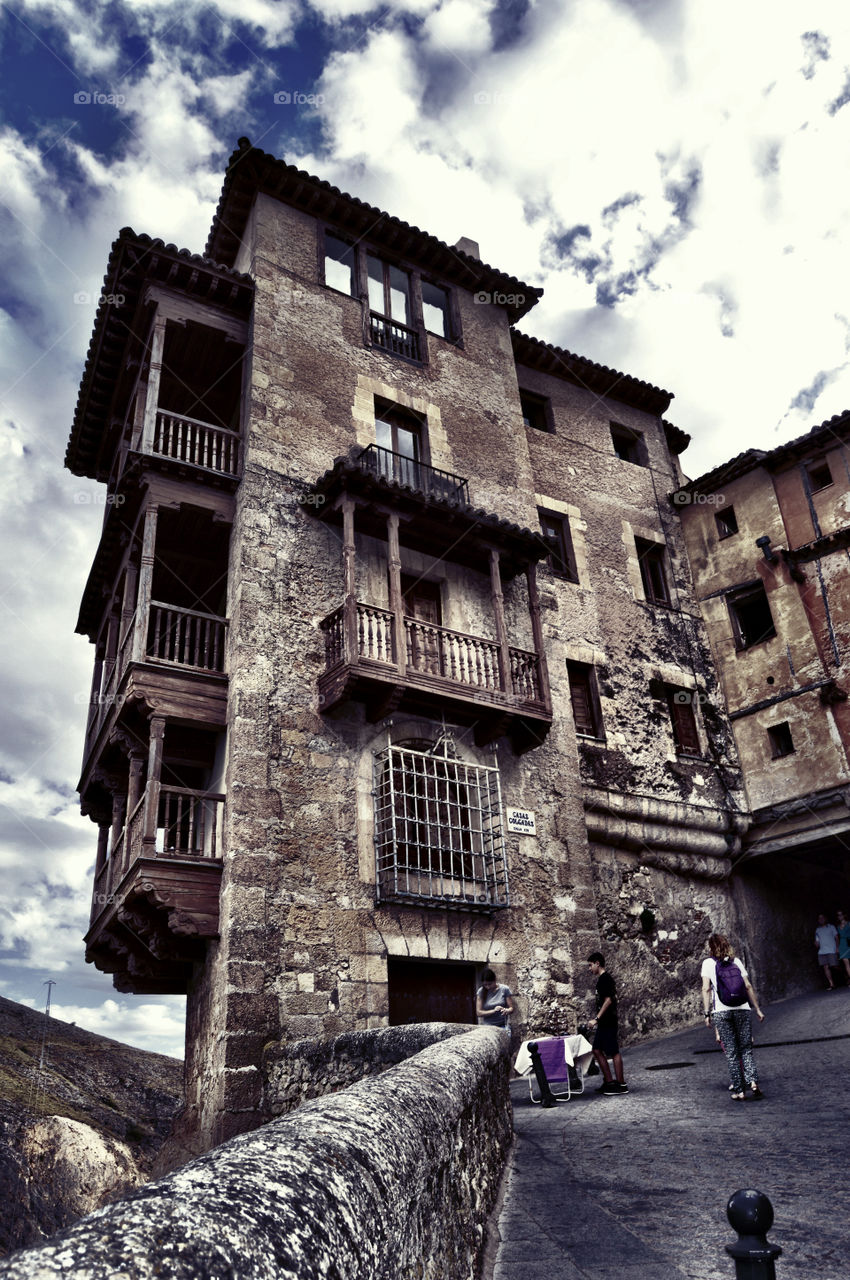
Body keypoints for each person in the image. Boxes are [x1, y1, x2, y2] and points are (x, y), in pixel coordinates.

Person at [701, 933, 765, 1101]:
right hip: (742, 1009)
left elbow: (706, 989)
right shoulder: (736, 961)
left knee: (731, 1052)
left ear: (711, 948)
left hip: (721, 1011)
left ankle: (740, 1091)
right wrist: (757, 1009)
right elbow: (748, 985)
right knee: (746, 1049)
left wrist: (707, 1013)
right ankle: (753, 1083)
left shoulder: (708, 963)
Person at [587, 952, 628, 1095]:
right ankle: (609, 1082)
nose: (589, 968)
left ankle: (621, 1084)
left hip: (608, 1021)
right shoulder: (601, 980)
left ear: (597, 963)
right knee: (596, 1050)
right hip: (604, 1022)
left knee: (613, 1051)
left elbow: (609, 1000)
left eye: (590, 965)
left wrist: (596, 1019)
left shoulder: (605, 979)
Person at [815, 913, 840, 990]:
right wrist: (816, 943)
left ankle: (845, 976)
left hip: (831, 950)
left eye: (822, 918)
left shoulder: (831, 927)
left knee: (835, 966)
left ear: (825, 919)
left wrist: (837, 948)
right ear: (818, 920)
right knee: (825, 967)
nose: (821, 919)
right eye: (819, 918)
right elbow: (817, 941)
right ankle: (831, 984)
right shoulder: (817, 930)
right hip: (822, 951)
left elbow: (836, 937)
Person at [836, 910, 850, 985]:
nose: (839, 916)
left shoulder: (849, 923)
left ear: (844, 915)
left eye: (841, 914)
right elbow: (837, 937)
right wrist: (837, 947)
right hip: (843, 944)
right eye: (838, 915)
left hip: (849, 942)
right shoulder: (838, 926)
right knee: (846, 963)